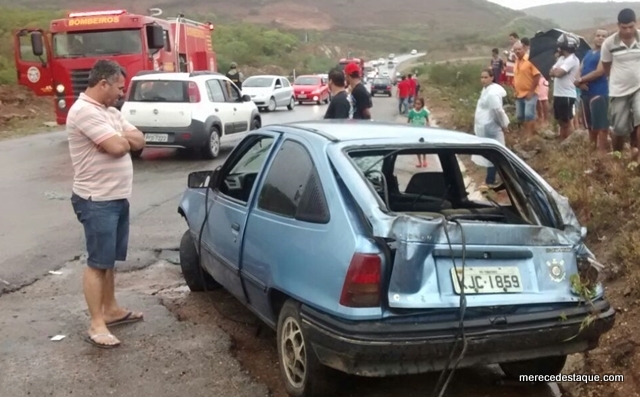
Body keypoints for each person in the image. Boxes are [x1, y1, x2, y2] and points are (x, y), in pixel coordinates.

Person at [66, 60, 146, 349]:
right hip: (96, 199)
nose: (121, 94)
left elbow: (139, 140)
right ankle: (96, 323)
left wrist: (119, 138)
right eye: (119, 88)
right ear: (103, 84)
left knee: (109, 259)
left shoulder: (110, 112)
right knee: (98, 263)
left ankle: (111, 310)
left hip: (116, 196)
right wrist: (118, 141)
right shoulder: (85, 112)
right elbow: (117, 148)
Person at [585, 8, 640, 158]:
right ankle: (618, 154)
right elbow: (607, 67)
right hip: (618, 90)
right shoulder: (609, 44)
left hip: (639, 88)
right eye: (624, 27)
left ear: (635, 23)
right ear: (618, 25)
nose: (628, 31)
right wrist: (616, 81)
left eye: (631, 27)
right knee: (619, 128)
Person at [472, 68, 509, 191]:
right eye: (481, 77)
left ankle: (500, 179)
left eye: (486, 77)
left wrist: (504, 125)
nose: (483, 80)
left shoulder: (493, 93)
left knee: (498, 153)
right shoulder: (487, 90)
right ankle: (492, 179)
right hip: (486, 126)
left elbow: (497, 111)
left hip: (492, 126)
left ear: (492, 77)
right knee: (493, 153)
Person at [575, 29, 610, 152]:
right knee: (590, 125)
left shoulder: (606, 53)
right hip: (585, 93)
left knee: (601, 126)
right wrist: (578, 82)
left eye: (604, 36)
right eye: (598, 35)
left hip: (599, 92)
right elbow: (580, 68)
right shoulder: (588, 53)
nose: (600, 38)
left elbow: (599, 72)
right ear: (594, 37)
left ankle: (601, 154)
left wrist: (580, 80)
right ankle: (591, 151)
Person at [549, 32, 581, 140]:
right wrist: (556, 72)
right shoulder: (562, 59)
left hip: (567, 95)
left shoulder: (572, 60)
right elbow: (551, 72)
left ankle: (570, 143)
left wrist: (556, 72)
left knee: (567, 121)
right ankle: (563, 141)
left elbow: (557, 73)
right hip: (558, 94)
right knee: (561, 121)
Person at [513, 41, 540, 137]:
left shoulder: (530, 59)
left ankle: (530, 136)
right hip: (519, 94)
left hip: (530, 93)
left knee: (529, 115)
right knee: (520, 116)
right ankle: (525, 133)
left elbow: (537, 76)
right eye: (515, 50)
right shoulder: (516, 61)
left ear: (524, 49)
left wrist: (531, 91)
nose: (517, 51)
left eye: (519, 49)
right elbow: (516, 77)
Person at [407, 97, 431, 167]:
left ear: (422, 105)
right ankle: (419, 162)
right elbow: (408, 121)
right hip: (415, 133)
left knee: (424, 147)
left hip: (422, 132)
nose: (417, 105)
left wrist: (428, 124)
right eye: (416, 104)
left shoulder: (424, 112)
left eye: (419, 104)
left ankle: (424, 160)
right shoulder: (412, 112)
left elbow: (427, 120)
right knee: (417, 148)